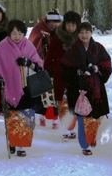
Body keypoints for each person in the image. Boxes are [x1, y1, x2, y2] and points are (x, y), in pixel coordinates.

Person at [0, 19, 43, 157]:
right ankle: (12, 141)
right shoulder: (2, 47)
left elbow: (38, 66)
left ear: (24, 33)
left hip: (26, 88)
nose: (17, 36)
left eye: (20, 33)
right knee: (12, 117)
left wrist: (28, 63)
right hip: (8, 87)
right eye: (14, 33)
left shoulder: (29, 46)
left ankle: (22, 145)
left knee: (25, 116)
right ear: (9, 34)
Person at [61, 22, 112, 156]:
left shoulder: (99, 48)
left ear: (91, 33)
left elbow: (106, 64)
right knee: (82, 118)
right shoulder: (72, 50)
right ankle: (85, 145)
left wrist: (96, 69)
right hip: (78, 90)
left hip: (96, 90)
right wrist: (78, 73)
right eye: (81, 32)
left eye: (87, 32)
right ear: (77, 34)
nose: (84, 35)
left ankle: (92, 137)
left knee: (95, 118)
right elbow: (65, 69)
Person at [44, 11, 81, 140]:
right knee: (63, 103)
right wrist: (48, 70)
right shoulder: (58, 36)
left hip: (77, 76)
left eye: (73, 25)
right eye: (68, 25)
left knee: (74, 103)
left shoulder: (81, 37)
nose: (70, 28)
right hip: (60, 74)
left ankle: (70, 127)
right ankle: (65, 129)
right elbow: (50, 55)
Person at [28, 9, 62, 129]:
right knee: (42, 91)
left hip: (56, 65)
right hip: (41, 63)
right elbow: (32, 42)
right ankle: (42, 115)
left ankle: (55, 117)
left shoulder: (61, 31)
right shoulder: (39, 29)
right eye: (51, 23)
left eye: (56, 22)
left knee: (55, 91)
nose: (53, 25)